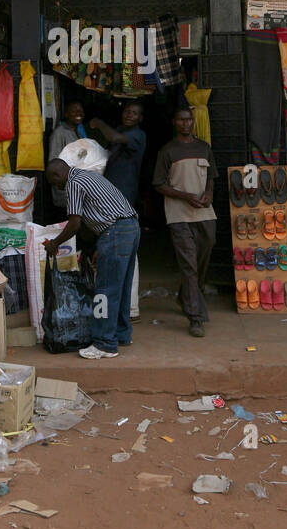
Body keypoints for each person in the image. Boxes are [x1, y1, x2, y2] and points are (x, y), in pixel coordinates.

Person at [44, 158, 139, 360]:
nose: (57, 188)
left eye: (55, 184)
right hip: (131, 228)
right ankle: (121, 335)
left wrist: (55, 243)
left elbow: (75, 222)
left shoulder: (74, 183)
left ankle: (104, 344)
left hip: (114, 232)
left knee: (104, 290)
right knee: (120, 287)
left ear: (57, 175)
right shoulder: (88, 175)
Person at [153, 108, 217, 339]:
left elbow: (211, 176)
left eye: (188, 119)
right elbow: (159, 184)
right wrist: (185, 195)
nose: (185, 123)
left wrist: (208, 193)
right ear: (175, 122)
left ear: (193, 121)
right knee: (189, 263)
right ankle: (195, 317)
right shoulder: (167, 151)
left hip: (204, 212)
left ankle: (185, 295)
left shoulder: (204, 148)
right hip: (178, 214)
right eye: (181, 119)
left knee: (205, 251)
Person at [90, 101, 146, 320]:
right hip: (111, 201)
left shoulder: (137, 136)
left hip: (124, 203)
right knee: (113, 251)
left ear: (140, 118)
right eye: (127, 111)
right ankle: (122, 306)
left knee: (127, 253)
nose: (130, 115)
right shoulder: (121, 131)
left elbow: (113, 138)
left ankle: (131, 308)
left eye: (135, 113)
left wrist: (99, 123)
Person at [47, 100, 87, 209]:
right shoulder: (59, 133)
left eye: (81, 111)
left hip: (79, 190)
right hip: (66, 193)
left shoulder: (78, 131)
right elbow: (53, 165)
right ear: (66, 114)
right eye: (74, 111)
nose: (79, 113)